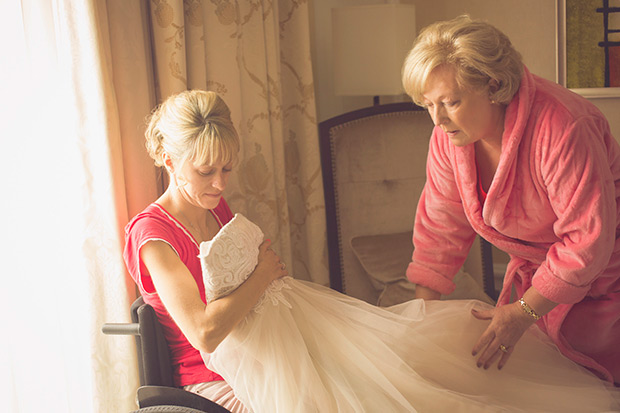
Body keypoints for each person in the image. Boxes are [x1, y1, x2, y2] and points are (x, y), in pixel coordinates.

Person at [401, 15, 620, 385]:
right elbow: (441, 225)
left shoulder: (563, 126)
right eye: (427, 105)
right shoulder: (448, 137)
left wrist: (523, 312)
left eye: (450, 102)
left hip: (606, 274)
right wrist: (422, 315)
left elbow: (587, 239)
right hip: (542, 281)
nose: (437, 119)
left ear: (495, 84)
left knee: (598, 386)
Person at [123, 90, 288, 412]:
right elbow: (204, 333)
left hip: (254, 356)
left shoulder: (215, 208)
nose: (220, 184)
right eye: (205, 172)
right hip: (210, 379)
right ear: (169, 160)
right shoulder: (153, 235)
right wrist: (263, 274)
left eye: (226, 169)